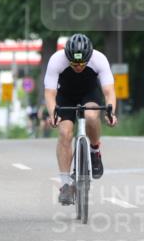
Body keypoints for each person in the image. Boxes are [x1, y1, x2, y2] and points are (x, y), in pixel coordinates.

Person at [44, 33, 118, 206]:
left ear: (89, 56)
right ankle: (65, 185)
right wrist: (52, 114)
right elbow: (50, 93)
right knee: (64, 132)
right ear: (67, 56)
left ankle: (94, 150)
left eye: (82, 63)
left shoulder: (99, 59)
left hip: (89, 93)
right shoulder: (57, 60)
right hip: (65, 96)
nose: (78, 67)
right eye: (74, 63)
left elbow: (109, 92)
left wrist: (110, 113)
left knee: (92, 116)